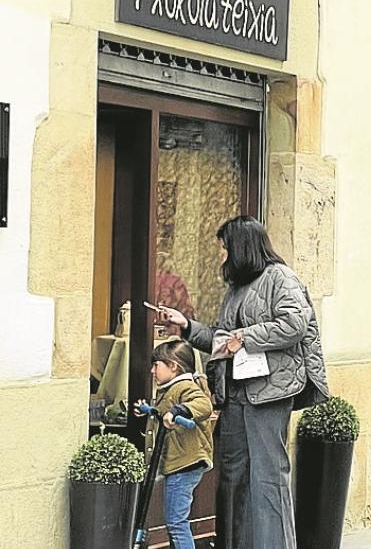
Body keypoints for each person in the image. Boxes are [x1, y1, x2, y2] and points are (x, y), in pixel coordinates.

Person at [158, 215, 329, 549]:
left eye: (224, 248)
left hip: (269, 394)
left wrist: (246, 336)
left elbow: (295, 324)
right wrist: (187, 326)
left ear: (241, 247)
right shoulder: (236, 289)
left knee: (268, 479)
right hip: (236, 396)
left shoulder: (280, 277)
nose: (221, 255)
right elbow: (223, 340)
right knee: (233, 479)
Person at [134, 340, 215, 549]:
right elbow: (164, 413)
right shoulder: (169, 389)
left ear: (173, 366)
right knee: (174, 522)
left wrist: (179, 411)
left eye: (156, 365)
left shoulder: (185, 387)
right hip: (178, 463)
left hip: (185, 464)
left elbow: (203, 405)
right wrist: (148, 410)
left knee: (177, 523)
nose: (152, 371)